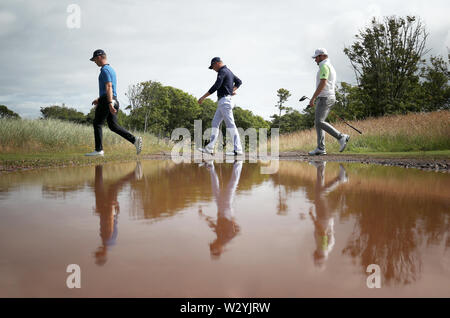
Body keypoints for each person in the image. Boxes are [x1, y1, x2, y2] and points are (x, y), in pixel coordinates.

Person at [85, 49, 142, 157]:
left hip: (108, 100)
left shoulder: (105, 70)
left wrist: (109, 102)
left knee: (97, 123)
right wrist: (100, 98)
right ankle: (135, 140)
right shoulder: (110, 69)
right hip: (112, 98)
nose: (95, 62)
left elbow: (109, 86)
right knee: (113, 126)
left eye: (95, 60)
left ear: (100, 57)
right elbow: (110, 88)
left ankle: (99, 150)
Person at [197, 57, 243, 156]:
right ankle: (210, 148)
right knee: (215, 123)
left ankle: (238, 149)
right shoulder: (228, 71)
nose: (213, 69)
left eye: (213, 66)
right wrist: (231, 90)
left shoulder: (222, 71)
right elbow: (239, 81)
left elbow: (217, 85)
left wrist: (203, 97)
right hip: (224, 101)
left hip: (225, 101)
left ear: (217, 63)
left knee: (231, 125)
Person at [307, 48, 349, 156]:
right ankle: (321, 148)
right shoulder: (329, 66)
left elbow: (323, 83)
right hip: (328, 97)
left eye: (316, 57)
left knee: (319, 122)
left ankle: (340, 136)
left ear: (322, 56)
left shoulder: (324, 66)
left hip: (325, 97)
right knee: (318, 123)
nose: (315, 60)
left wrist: (313, 98)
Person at [198, 159, 243, 259]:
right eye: (213, 245)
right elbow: (237, 230)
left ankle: (211, 165)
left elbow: (213, 225)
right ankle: (238, 164)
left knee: (215, 185)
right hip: (226, 207)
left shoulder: (220, 238)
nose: (212, 242)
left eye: (212, 244)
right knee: (232, 184)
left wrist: (203, 216)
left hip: (220, 206)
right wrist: (233, 222)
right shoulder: (226, 239)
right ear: (218, 248)